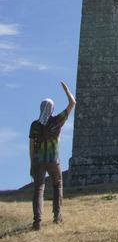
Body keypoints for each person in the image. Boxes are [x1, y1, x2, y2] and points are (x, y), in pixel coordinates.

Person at [29, 80, 76, 230]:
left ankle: (37, 221)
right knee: (57, 185)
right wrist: (67, 90)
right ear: (52, 108)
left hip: (38, 160)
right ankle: (57, 215)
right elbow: (72, 103)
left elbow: (31, 146)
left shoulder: (35, 125)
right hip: (53, 161)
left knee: (38, 189)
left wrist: (32, 163)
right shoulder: (57, 121)